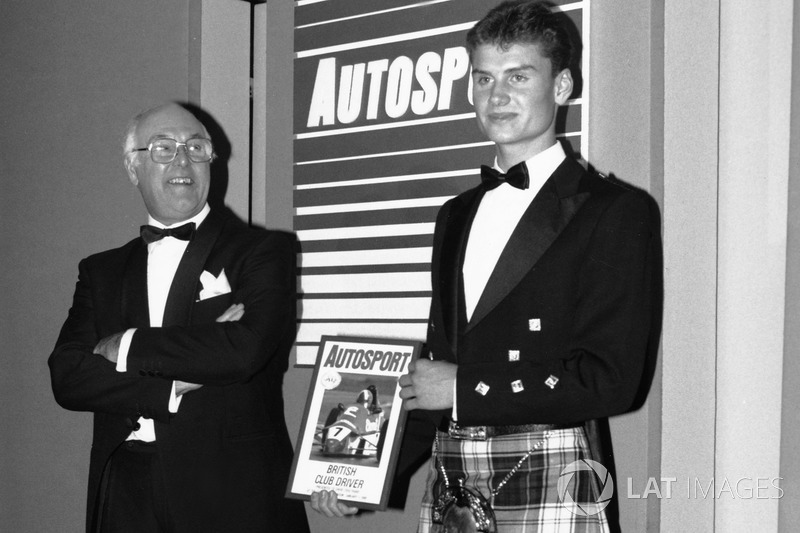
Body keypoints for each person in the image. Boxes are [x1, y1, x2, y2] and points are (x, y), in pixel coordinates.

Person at [311, 1, 660, 531]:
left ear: (562, 86)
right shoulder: (455, 215)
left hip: (553, 469)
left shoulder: (614, 211)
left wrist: (463, 388)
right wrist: (363, 474)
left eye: (518, 76)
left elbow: (611, 380)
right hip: (453, 480)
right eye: (483, 79)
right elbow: (437, 373)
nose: (496, 96)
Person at [49, 103, 310, 533]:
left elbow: (243, 350)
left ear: (211, 160)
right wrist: (172, 384)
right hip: (126, 488)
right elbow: (69, 376)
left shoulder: (262, 252)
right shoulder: (101, 271)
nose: (183, 160)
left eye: (196, 147)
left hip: (231, 490)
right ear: (133, 169)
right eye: (163, 149)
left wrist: (125, 345)